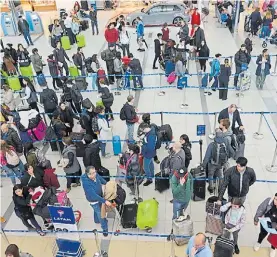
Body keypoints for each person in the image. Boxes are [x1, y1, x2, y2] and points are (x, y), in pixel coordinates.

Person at [81, 166, 111, 236]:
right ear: (88, 174)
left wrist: (107, 184)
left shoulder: (95, 174)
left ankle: (96, 220)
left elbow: (100, 179)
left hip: (99, 196)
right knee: (101, 214)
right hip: (93, 200)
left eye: (95, 172)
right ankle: (104, 228)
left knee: (97, 210)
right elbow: (93, 195)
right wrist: (104, 201)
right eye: (92, 173)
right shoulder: (86, 183)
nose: (95, 174)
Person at [203, 129, 228, 193]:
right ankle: (220, 188)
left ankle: (211, 188)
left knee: (210, 175)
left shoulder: (212, 145)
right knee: (220, 176)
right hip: (221, 164)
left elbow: (207, 157)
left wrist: (204, 165)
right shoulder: (224, 143)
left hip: (212, 164)